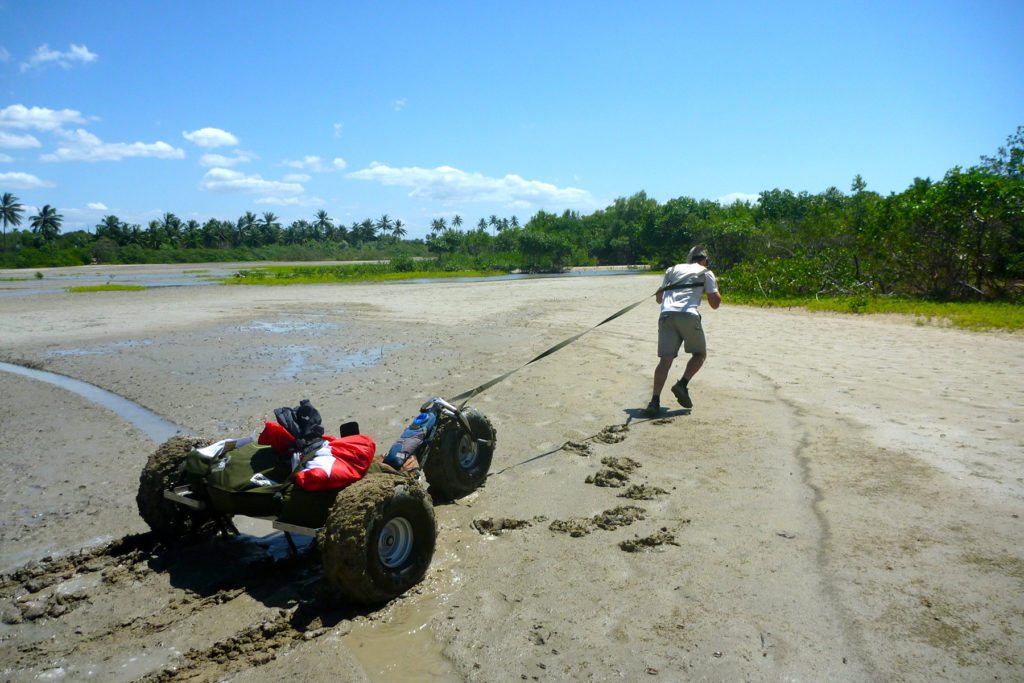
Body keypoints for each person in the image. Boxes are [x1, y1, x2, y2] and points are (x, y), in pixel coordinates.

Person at [645, 246, 721, 417]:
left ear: (689, 259)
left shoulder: (672, 270)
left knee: (665, 361)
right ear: (705, 260)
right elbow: (715, 304)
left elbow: (659, 299)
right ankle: (683, 384)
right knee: (700, 354)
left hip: (666, 315)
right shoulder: (705, 272)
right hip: (688, 315)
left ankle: (654, 401)